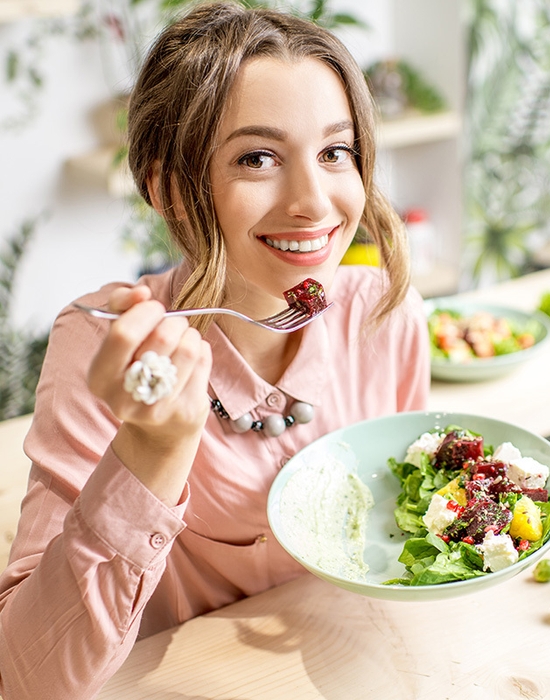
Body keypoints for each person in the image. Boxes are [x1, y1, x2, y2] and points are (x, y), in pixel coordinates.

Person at [0, 2, 430, 698]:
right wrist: (150, 453)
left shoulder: (384, 314)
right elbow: (27, 678)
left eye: (335, 152)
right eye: (257, 158)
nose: (315, 203)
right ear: (170, 189)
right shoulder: (107, 351)